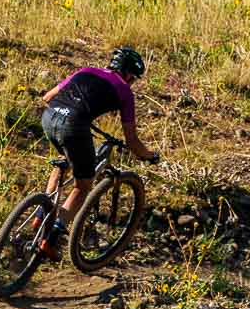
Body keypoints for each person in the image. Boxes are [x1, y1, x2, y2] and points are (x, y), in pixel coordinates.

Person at [37, 46, 159, 261]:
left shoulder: (85, 71)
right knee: (83, 186)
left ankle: (42, 213)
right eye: (134, 78)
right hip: (73, 125)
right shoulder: (125, 91)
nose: (132, 82)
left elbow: (48, 96)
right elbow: (132, 140)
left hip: (49, 116)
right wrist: (148, 155)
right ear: (129, 73)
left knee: (62, 162)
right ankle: (51, 239)